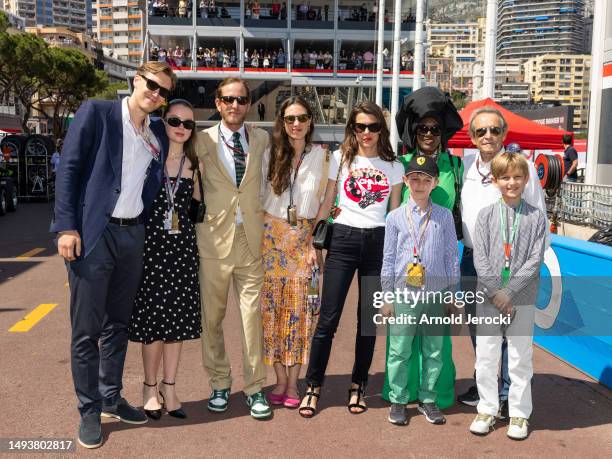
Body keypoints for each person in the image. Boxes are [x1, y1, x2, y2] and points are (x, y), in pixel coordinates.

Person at [51, 62, 176, 449]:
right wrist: (67, 227)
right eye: (152, 85)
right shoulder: (98, 112)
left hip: (132, 233)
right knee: (87, 330)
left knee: (118, 324)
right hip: (95, 234)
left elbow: (152, 181)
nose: (156, 95)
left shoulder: (156, 131)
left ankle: (110, 396)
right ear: (136, 81)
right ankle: (89, 411)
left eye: (163, 92)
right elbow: (69, 170)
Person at [298, 101, 403, 418]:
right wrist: (312, 243)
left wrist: (395, 258)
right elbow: (329, 199)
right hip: (342, 240)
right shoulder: (341, 159)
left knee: (367, 324)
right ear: (352, 129)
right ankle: (313, 387)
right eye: (360, 126)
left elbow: (395, 213)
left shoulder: (394, 166)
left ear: (381, 129)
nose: (367, 132)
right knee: (327, 321)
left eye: (373, 126)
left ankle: (358, 385)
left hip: (378, 243)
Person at [458, 106, 546, 415]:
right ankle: (490, 387)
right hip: (472, 260)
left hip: (512, 264)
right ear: (471, 136)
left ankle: (509, 392)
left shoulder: (523, 168)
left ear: (504, 134)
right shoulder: (466, 166)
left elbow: (539, 220)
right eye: (481, 131)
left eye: (494, 130)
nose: (488, 136)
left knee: (511, 330)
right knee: (480, 330)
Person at [381, 87, 464, 411]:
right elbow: (384, 210)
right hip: (404, 271)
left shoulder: (456, 167)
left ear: (443, 132)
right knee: (401, 343)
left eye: (435, 129)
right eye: (422, 128)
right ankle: (400, 397)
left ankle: (435, 396)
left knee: (436, 344)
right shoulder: (398, 165)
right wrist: (328, 223)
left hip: (440, 268)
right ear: (413, 132)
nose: (429, 134)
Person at [195, 78, 272, 419]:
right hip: (213, 242)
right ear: (218, 101)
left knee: (252, 320)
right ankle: (220, 383)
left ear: (248, 103)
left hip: (251, 242)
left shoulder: (261, 138)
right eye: (228, 99)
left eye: (241, 99)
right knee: (211, 320)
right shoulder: (201, 140)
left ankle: (255, 388)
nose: (235, 105)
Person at [129, 99, 202, 421]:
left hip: (182, 252)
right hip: (151, 251)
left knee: (177, 327)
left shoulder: (194, 163)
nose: (182, 128)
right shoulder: (149, 158)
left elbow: (197, 210)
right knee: (152, 327)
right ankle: (148, 388)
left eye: (188, 124)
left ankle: (170, 388)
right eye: (175, 121)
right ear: (164, 121)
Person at [469, 152, 547, 440]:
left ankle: (518, 414)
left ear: (526, 180)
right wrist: (495, 292)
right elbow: (481, 259)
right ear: (495, 180)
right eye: (505, 177)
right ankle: (487, 408)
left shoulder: (537, 216)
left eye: (517, 177)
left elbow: (535, 260)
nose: (511, 182)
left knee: (519, 358)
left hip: (521, 298)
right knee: (486, 356)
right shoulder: (486, 215)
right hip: (489, 298)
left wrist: (510, 292)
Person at [261, 96, 327, 409]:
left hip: (305, 240)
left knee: (303, 313)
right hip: (271, 239)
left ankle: (294, 380)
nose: (296, 124)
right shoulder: (269, 154)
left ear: (310, 121)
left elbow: (328, 200)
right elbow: (258, 195)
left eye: (301, 118)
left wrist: (314, 240)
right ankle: (279, 380)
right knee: (271, 312)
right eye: (290, 119)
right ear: (282, 123)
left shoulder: (323, 156)